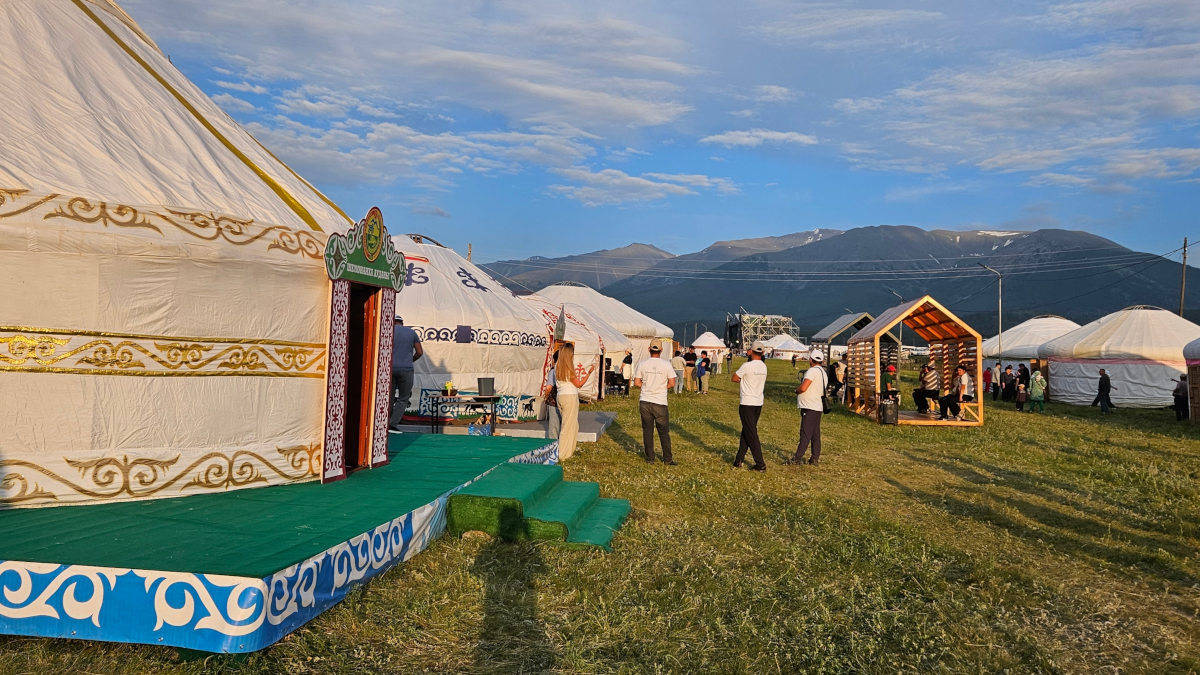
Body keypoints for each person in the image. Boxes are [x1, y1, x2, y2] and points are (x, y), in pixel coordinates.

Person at [547, 342, 595, 461]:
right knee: (568, 426)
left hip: (561, 396)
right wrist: (589, 373)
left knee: (572, 425)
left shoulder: (557, 366)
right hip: (570, 396)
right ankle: (563, 454)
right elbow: (579, 384)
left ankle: (569, 450)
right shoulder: (568, 368)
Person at [633, 345, 677, 464]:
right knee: (663, 432)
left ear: (649, 349)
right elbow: (672, 383)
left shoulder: (642, 364)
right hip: (660, 402)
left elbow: (637, 382)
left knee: (647, 431)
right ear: (661, 350)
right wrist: (661, 388)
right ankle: (667, 459)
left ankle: (650, 458)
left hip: (645, 401)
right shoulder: (666, 364)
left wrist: (647, 387)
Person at [732, 342, 769, 471]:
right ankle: (738, 459)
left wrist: (742, 380)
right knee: (747, 431)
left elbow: (734, 378)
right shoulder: (764, 367)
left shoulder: (746, 366)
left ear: (750, 352)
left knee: (751, 433)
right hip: (758, 403)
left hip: (747, 402)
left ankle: (760, 463)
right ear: (762, 353)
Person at [789, 350, 828, 466]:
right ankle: (814, 458)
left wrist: (796, 390)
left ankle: (797, 458)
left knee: (805, 433)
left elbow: (803, 388)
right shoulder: (823, 373)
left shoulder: (812, 371)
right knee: (815, 434)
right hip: (817, 406)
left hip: (809, 406)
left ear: (811, 360)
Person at [389, 316, 423, 430]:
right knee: (403, 398)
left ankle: (384, 423)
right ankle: (392, 424)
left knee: (388, 397)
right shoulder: (411, 332)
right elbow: (419, 352)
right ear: (402, 323)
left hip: (390, 369)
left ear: (393, 322)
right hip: (406, 369)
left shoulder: (388, 331)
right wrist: (410, 360)